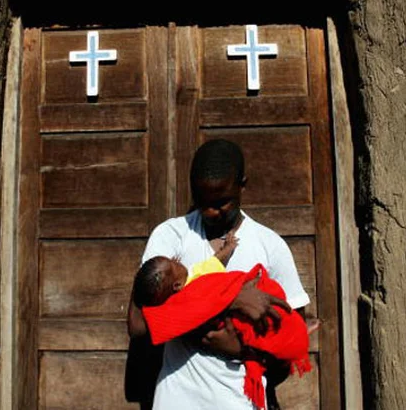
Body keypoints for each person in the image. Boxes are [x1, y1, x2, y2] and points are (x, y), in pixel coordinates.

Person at [127, 139, 311, 409]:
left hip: (241, 401)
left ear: (242, 185)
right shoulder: (171, 238)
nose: (212, 212)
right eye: (203, 202)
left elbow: (291, 342)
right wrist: (232, 299)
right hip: (178, 399)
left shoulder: (270, 245)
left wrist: (241, 350)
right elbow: (139, 324)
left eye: (222, 202)